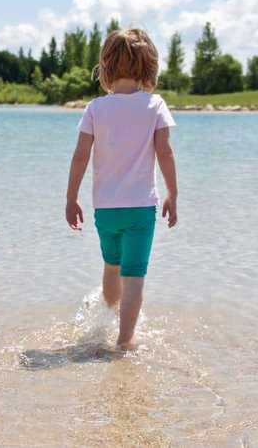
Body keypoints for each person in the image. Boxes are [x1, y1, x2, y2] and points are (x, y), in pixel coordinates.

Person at [65, 27, 178, 350]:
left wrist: (71, 198)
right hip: (140, 208)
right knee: (134, 276)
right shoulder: (154, 106)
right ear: (148, 66)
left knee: (112, 266)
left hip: (106, 210)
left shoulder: (96, 108)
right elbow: (165, 153)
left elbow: (80, 156)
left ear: (106, 66)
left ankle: (107, 317)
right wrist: (173, 193)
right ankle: (125, 339)